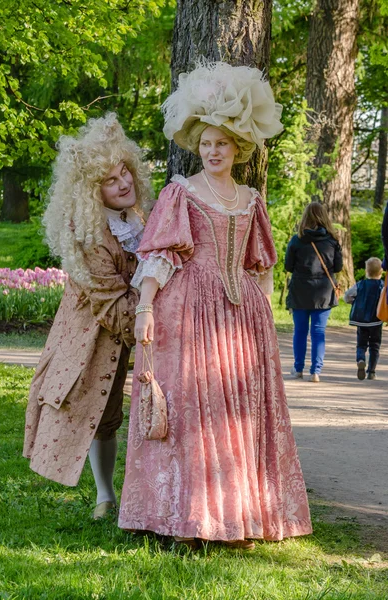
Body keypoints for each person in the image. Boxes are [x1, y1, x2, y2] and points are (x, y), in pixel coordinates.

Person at [118, 62, 312, 548]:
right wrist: (144, 307)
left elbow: (259, 264)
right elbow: (159, 255)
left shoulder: (250, 197)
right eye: (205, 144)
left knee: (239, 410)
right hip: (188, 309)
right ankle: (188, 518)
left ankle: (238, 517)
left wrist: (262, 313)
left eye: (220, 144)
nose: (212, 151)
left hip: (241, 316)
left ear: (238, 147)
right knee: (191, 410)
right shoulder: (180, 193)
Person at [23, 114, 152, 519]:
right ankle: (104, 494)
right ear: (92, 192)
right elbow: (110, 302)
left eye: (124, 172)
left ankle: (151, 491)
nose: (124, 183)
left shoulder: (141, 218)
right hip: (91, 332)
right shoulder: (89, 234)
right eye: (111, 181)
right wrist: (161, 315)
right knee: (98, 411)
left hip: (137, 317)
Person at [285, 203, 343, 383]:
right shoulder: (332, 241)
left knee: (300, 331)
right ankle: (316, 371)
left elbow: (288, 266)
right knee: (319, 332)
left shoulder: (297, 239)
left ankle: (298, 368)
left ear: (305, 217)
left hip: (300, 290)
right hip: (324, 291)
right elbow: (338, 267)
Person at [344, 257, 384, 380]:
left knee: (361, 344)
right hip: (376, 320)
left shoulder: (360, 284)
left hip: (361, 321)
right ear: (381, 272)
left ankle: (360, 359)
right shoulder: (382, 285)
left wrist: (354, 302)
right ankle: (371, 372)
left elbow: (347, 296)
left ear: (366, 271)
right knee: (375, 345)